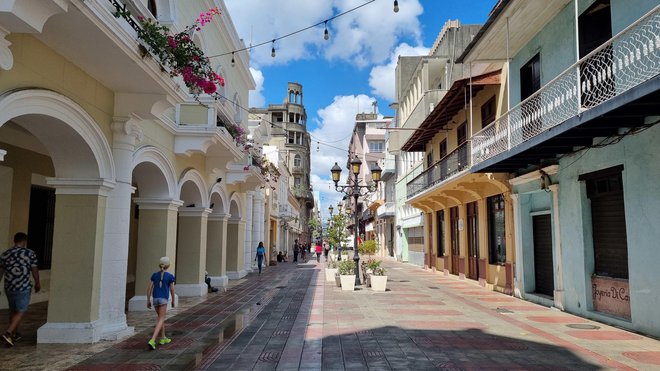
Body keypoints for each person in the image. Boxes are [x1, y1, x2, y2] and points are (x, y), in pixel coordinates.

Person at [0, 232, 40, 347]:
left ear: (14, 240)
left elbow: (1, 271)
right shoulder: (29, 253)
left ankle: (13, 335)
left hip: (9, 287)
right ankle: (8, 333)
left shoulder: (5, 254)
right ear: (24, 241)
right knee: (21, 310)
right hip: (23, 286)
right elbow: (34, 269)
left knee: (13, 311)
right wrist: (37, 283)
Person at [146, 256, 175, 350]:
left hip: (155, 299)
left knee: (160, 318)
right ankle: (153, 340)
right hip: (163, 300)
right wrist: (173, 300)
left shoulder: (154, 275)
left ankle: (163, 338)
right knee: (161, 319)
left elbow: (149, 288)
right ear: (168, 265)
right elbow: (172, 289)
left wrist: (148, 300)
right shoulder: (170, 276)